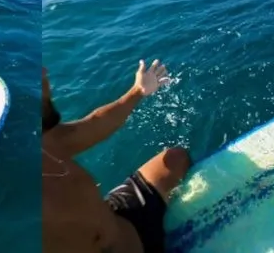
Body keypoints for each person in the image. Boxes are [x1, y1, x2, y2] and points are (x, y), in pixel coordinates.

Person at [42, 60, 191, 253]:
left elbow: (94, 124)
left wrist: (138, 91)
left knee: (175, 159)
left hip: (121, 223)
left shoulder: (42, 139)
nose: (45, 70)